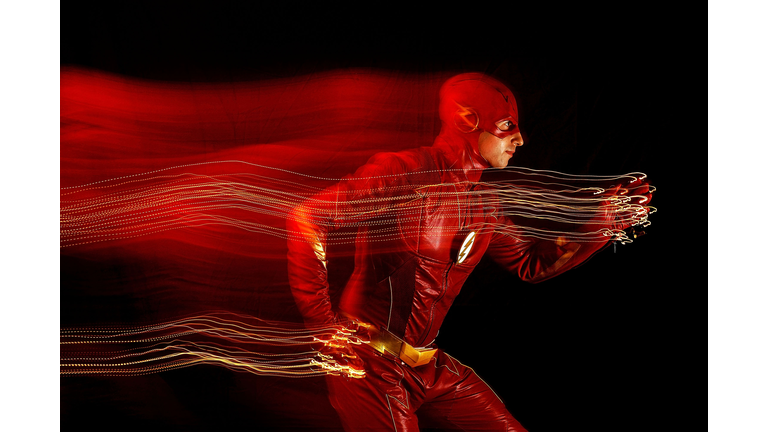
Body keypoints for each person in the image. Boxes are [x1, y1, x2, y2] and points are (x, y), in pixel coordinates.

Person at [286, 73, 651, 431]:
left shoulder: (485, 203)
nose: (520, 139)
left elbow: (532, 264)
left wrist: (601, 223)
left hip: (428, 364)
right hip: (369, 365)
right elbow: (308, 218)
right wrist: (324, 327)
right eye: (507, 126)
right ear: (467, 120)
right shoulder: (404, 171)